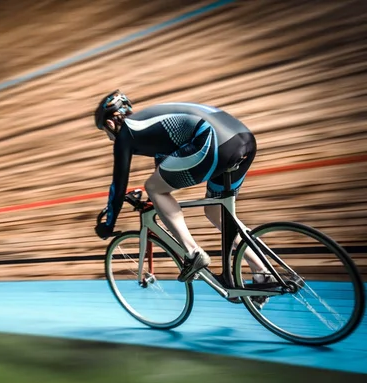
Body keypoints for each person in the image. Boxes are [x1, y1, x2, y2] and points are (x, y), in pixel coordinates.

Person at [93, 90, 273, 306]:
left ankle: (193, 252)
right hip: (242, 138)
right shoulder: (148, 122)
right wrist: (156, 201)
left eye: (105, 130)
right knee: (216, 212)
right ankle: (262, 272)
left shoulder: (126, 133)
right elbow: (165, 164)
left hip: (212, 141)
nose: (108, 136)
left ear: (111, 123)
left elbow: (118, 183)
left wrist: (109, 223)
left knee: (153, 187)